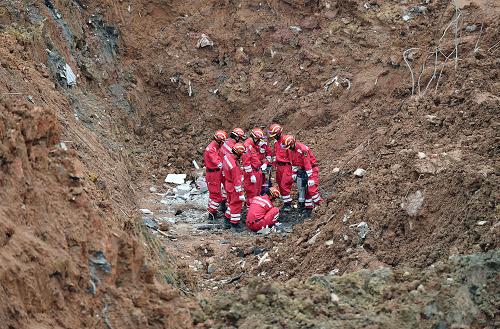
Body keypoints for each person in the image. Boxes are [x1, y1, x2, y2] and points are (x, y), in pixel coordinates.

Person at [282, 134, 322, 217]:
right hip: (302, 170)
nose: (288, 148)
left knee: (312, 190)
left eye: (289, 146)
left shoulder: (302, 149)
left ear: (292, 143)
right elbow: (293, 162)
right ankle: (308, 208)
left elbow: (308, 164)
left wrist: (310, 178)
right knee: (303, 189)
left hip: (311, 169)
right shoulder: (290, 150)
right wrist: (294, 173)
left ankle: (321, 205)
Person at [268, 123, 293, 211]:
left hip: (286, 166)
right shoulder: (276, 142)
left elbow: (291, 155)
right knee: (279, 184)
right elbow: (275, 153)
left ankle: (288, 204)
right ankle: (285, 201)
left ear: (278, 133)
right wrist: (274, 164)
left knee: (284, 184)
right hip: (279, 166)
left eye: (274, 135)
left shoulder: (286, 140)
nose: (273, 137)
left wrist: (293, 168)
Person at [203, 130, 228, 219]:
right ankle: (211, 214)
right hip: (213, 173)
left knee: (226, 188)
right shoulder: (211, 149)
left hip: (217, 172)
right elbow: (217, 162)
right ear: (219, 140)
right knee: (215, 195)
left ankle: (222, 205)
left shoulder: (216, 146)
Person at [222, 142, 247, 230]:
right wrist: (240, 194)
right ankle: (234, 224)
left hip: (228, 184)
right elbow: (237, 181)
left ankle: (227, 219)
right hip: (233, 186)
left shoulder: (227, 157)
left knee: (231, 203)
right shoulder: (234, 167)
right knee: (236, 204)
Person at [242, 128, 266, 204]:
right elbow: (246, 163)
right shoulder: (247, 146)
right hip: (252, 172)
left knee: (257, 192)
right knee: (252, 194)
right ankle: (251, 212)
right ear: (255, 138)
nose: (259, 142)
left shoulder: (252, 145)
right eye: (259, 140)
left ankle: (255, 210)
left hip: (257, 171)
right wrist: (251, 175)